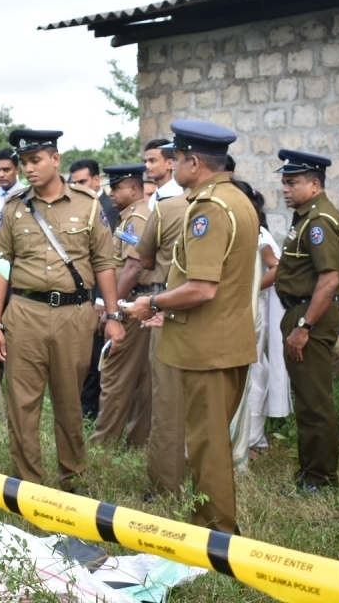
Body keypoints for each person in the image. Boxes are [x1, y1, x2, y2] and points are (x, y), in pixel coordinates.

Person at [127, 120, 258, 534]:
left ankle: (217, 534)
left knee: (208, 446)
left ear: (194, 162)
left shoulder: (209, 208)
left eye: (177, 158)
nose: (172, 165)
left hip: (207, 348)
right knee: (210, 439)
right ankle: (214, 525)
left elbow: (201, 287)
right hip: (227, 340)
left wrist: (152, 303)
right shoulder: (237, 199)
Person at [0, 130, 125, 492]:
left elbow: (104, 264)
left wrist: (112, 317)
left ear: (55, 160)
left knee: (69, 403)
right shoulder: (13, 208)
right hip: (24, 313)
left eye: (35, 161)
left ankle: (72, 480)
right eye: (24, 163)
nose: (28, 170)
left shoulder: (89, 205)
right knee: (22, 405)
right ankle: (28, 485)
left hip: (74, 316)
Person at [273, 150, 339, 494]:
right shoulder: (306, 216)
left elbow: (329, 279)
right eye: (285, 182)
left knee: (315, 401)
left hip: (310, 315)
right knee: (307, 398)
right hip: (301, 311)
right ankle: (310, 473)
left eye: (293, 182)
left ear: (314, 184)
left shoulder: (319, 221)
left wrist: (303, 326)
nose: (286, 189)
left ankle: (320, 480)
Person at [89, 164, 153, 448]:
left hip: (130, 303)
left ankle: (103, 442)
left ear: (134, 189)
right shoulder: (132, 216)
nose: (111, 193)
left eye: (116, 188)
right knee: (138, 378)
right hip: (135, 301)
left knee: (115, 375)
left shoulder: (135, 219)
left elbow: (132, 268)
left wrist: (111, 309)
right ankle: (135, 439)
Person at [135, 183, 190, 498]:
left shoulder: (166, 208)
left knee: (168, 401)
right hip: (219, 317)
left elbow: (144, 259)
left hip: (168, 308)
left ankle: (166, 485)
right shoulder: (236, 204)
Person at [235, 180, 290, 456]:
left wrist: (252, 287)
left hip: (254, 311)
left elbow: (277, 268)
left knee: (255, 376)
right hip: (241, 311)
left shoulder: (261, 236)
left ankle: (254, 441)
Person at [69, 158, 118, 419]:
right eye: (73, 183)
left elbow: (107, 260)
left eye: (83, 182)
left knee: (95, 357)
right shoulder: (78, 206)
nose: (77, 187)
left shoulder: (108, 209)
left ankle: (90, 411)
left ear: (96, 181)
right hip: (82, 296)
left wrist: (102, 300)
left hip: (100, 296)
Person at [143, 137, 183, 210]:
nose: (146, 166)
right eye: (145, 162)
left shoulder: (179, 194)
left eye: (152, 161)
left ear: (169, 163)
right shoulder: (153, 198)